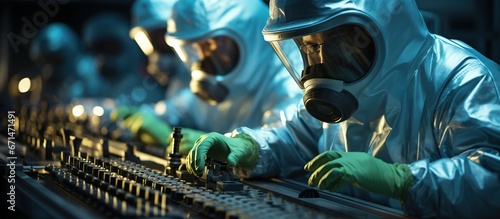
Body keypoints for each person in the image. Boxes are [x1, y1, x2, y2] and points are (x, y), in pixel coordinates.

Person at [185, 0, 500, 218]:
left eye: (331, 41)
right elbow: (296, 138)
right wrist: (248, 146)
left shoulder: (462, 80)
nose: (317, 61)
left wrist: (402, 180)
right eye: (306, 46)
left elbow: (491, 179)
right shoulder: (343, 87)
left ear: (371, 32)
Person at [110, 0, 303, 154]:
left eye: (212, 45)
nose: (202, 60)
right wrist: (147, 118)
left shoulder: (285, 81)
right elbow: (181, 108)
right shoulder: (210, 88)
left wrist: (247, 148)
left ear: (249, 35)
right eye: (194, 48)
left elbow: (288, 141)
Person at [81, 11, 165, 106]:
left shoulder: (149, 86)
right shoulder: (92, 85)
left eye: (110, 47)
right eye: (97, 50)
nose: (104, 56)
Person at [129, 0, 190, 99]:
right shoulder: (177, 77)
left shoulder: (195, 69)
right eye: (149, 37)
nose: (155, 44)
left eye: (157, 35)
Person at [29, 23, 87, 103]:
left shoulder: (85, 80)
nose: (49, 68)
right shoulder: (41, 86)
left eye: (55, 60)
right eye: (45, 61)